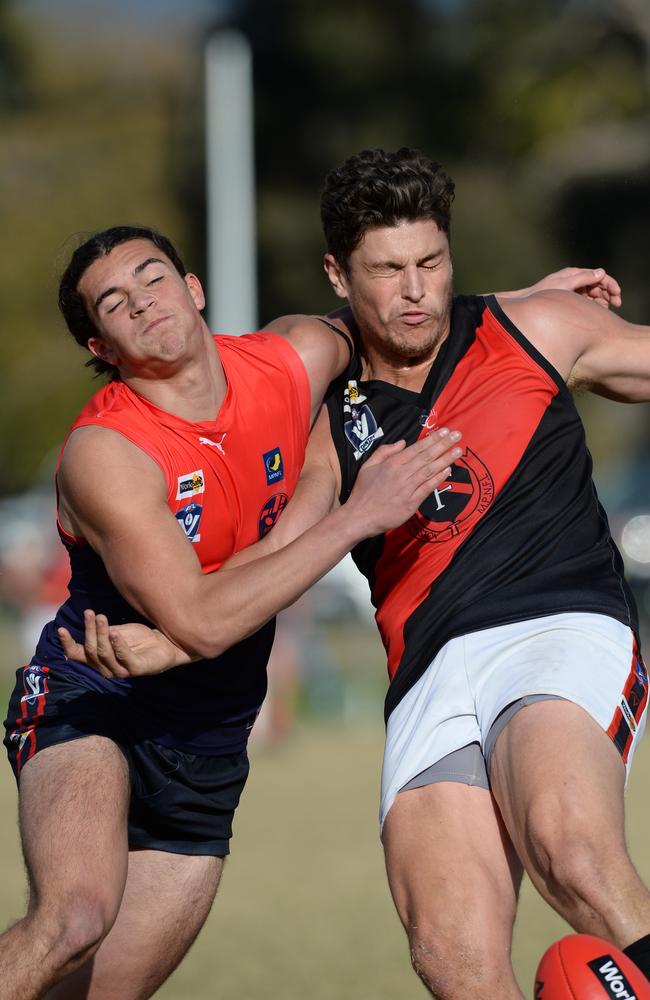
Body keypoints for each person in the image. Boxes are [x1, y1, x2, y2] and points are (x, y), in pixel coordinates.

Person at [65, 151, 650, 999]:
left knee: (570, 845)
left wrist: (540, 299)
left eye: (432, 263)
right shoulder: (330, 419)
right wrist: (173, 640)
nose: (416, 290)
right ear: (340, 275)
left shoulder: (537, 328)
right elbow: (277, 559)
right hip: (427, 672)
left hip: (558, 628)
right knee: (450, 953)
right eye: (388, 271)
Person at [0, 223, 465, 1000]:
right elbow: (204, 621)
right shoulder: (107, 452)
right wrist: (353, 515)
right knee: (75, 917)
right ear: (103, 346)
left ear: (194, 290)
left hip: (209, 734)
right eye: (114, 303)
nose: (143, 304)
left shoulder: (296, 356)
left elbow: (401, 311)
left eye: (154, 280)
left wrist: (536, 300)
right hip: (96, 698)